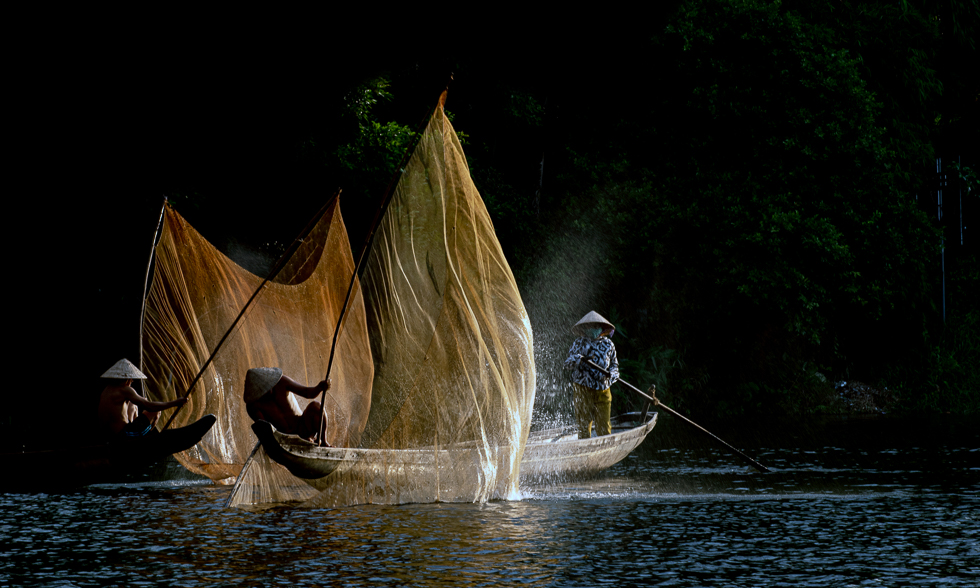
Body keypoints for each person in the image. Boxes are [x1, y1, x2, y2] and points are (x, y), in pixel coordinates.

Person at [97, 358, 187, 438]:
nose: (132, 381)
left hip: (109, 434)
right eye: (131, 378)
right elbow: (149, 406)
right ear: (127, 378)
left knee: (133, 405)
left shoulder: (107, 389)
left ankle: (142, 436)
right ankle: (146, 439)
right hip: (123, 435)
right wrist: (175, 403)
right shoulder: (124, 390)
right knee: (155, 411)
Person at [564, 311, 619, 439]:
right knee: (584, 428)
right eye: (589, 326)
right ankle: (584, 453)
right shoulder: (579, 343)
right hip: (582, 389)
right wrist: (579, 358)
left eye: (595, 326)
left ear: (601, 328)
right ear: (584, 328)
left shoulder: (608, 344)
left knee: (604, 428)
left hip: (603, 389)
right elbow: (567, 364)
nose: (592, 329)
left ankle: (605, 453)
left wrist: (612, 375)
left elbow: (615, 367)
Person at [244, 367, 331, 443]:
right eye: (263, 391)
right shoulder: (254, 406)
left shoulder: (282, 382)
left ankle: (323, 441)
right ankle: (304, 440)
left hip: (302, 427)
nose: (267, 391)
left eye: (268, 386)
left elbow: (307, 393)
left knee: (316, 406)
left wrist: (319, 387)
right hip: (283, 438)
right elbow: (265, 429)